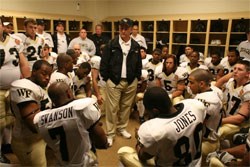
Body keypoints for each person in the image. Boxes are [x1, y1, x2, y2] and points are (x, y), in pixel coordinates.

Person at [118, 87, 206, 167]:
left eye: (148, 111)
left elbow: (143, 156)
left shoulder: (152, 129)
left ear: (155, 110)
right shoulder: (195, 105)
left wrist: (139, 141)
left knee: (124, 153)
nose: (147, 114)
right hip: (195, 162)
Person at [33, 82, 108, 166]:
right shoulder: (82, 108)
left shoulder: (39, 118)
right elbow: (100, 138)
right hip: (84, 163)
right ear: (68, 93)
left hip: (62, 163)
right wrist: (104, 143)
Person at [100, 17, 142, 147]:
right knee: (111, 109)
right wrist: (107, 79)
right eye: (120, 28)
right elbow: (104, 63)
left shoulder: (135, 46)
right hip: (114, 81)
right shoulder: (111, 44)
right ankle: (110, 134)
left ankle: (122, 128)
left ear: (131, 30)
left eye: (125, 28)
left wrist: (136, 78)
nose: (122, 31)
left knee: (126, 107)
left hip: (130, 81)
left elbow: (138, 64)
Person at [10, 60, 53, 166]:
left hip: (42, 137)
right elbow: (33, 123)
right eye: (44, 73)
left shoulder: (42, 87)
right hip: (28, 141)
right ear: (33, 72)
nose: (47, 77)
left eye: (49, 74)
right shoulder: (23, 86)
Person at [0, 19, 30, 163]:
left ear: (2, 26)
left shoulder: (15, 40)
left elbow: (23, 62)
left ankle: (7, 144)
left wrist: (28, 82)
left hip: (13, 87)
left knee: (11, 120)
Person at [188, 69, 223, 156]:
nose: (189, 85)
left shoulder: (205, 100)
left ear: (201, 84)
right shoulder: (211, 93)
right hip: (209, 137)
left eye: (191, 83)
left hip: (206, 142)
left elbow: (194, 125)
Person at [218, 60, 250, 140]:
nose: (235, 71)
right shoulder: (231, 82)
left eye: (240, 69)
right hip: (227, 118)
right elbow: (217, 84)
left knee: (218, 132)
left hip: (240, 125)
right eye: (234, 68)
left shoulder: (248, 89)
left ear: (248, 74)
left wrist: (218, 121)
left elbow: (240, 119)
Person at [90, 44, 106, 113]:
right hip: (101, 88)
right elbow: (94, 79)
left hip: (110, 88)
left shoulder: (112, 60)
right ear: (101, 52)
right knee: (101, 111)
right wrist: (98, 94)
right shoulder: (97, 60)